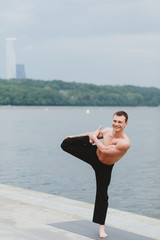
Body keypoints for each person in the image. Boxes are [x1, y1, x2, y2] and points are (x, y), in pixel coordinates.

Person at [61, 111, 130, 238]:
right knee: (66, 143)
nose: (116, 124)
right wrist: (74, 137)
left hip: (105, 166)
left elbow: (105, 150)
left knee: (102, 194)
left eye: (120, 122)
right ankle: (78, 140)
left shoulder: (125, 142)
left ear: (125, 124)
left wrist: (93, 137)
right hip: (94, 154)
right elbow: (91, 135)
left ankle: (101, 228)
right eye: (115, 121)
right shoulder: (107, 131)